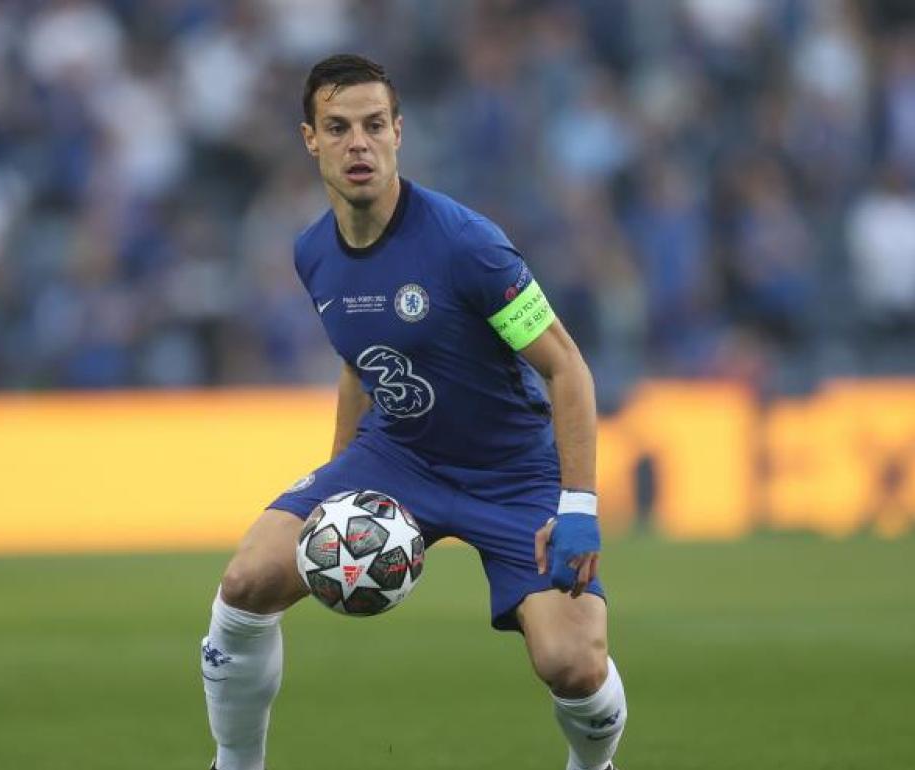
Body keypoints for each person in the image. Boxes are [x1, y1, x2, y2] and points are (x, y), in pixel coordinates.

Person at [200, 54, 627, 770]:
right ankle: (235, 765)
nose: (358, 144)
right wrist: (339, 473)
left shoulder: (467, 245)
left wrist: (578, 504)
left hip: (511, 473)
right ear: (310, 139)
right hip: (398, 458)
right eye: (339, 128)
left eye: (374, 125)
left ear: (399, 132)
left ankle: (595, 766)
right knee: (246, 583)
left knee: (573, 665)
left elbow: (566, 367)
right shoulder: (312, 253)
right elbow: (358, 362)